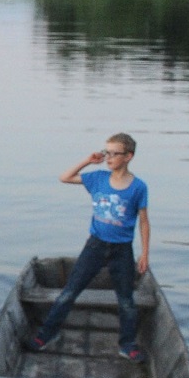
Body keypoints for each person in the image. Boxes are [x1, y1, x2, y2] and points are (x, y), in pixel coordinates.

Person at [30, 132, 151, 362]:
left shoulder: (138, 187)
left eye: (115, 154)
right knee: (69, 292)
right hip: (95, 246)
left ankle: (127, 344)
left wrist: (144, 254)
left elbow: (144, 222)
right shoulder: (97, 178)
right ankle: (47, 334)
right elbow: (65, 177)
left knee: (126, 300)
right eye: (107, 153)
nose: (109, 158)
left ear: (128, 156)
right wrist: (88, 160)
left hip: (122, 250)